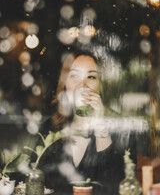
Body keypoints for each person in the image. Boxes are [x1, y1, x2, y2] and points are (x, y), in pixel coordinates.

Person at [38, 50, 131, 195]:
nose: (83, 84)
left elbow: (115, 186)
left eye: (91, 76)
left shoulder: (119, 127)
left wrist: (100, 124)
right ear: (64, 84)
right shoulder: (50, 127)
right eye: (75, 76)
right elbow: (35, 180)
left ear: (101, 85)